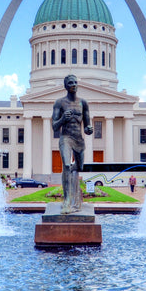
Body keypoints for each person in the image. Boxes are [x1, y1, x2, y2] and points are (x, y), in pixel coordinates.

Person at [51, 74, 93, 213]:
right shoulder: (60, 103)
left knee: (78, 167)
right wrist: (63, 119)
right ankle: (67, 200)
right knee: (67, 166)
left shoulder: (83, 103)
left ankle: (76, 195)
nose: (74, 84)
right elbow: (55, 126)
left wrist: (89, 129)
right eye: (70, 82)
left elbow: (87, 126)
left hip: (78, 139)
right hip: (66, 138)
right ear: (65, 86)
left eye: (75, 82)